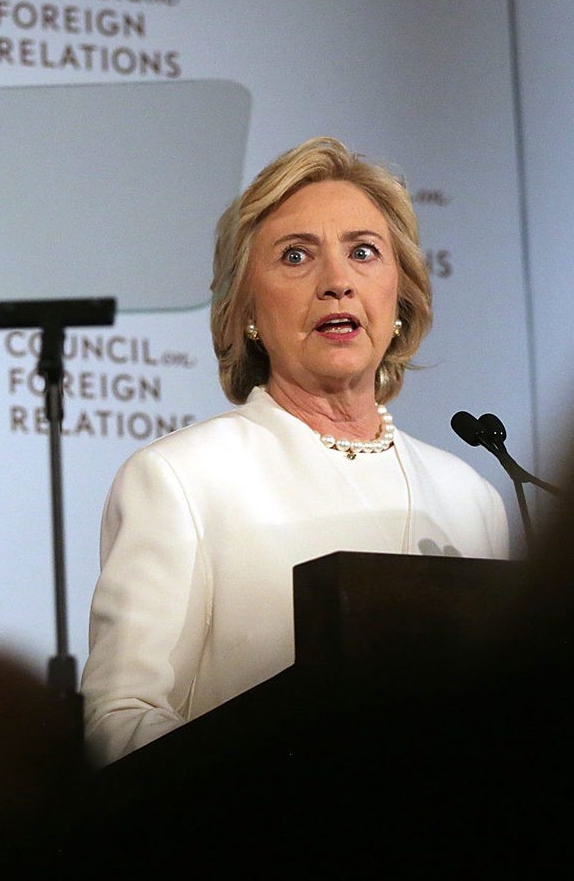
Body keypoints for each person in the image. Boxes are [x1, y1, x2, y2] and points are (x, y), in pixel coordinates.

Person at [78, 137, 509, 767]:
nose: (337, 282)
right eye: (296, 256)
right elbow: (118, 724)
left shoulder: (471, 495)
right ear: (248, 309)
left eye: (363, 252)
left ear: (402, 295)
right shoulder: (182, 480)